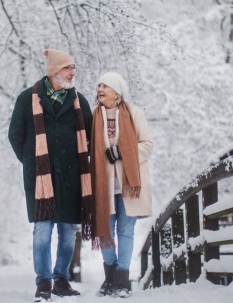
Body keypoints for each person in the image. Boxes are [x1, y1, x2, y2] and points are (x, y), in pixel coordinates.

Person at [8, 49, 93, 302]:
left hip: (71, 177)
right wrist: (33, 163)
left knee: (68, 232)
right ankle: (43, 281)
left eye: (73, 68)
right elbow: (16, 135)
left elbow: (90, 136)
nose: (72, 73)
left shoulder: (80, 101)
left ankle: (61, 279)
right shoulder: (27, 99)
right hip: (40, 178)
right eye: (68, 68)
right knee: (42, 230)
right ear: (54, 72)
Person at [90, 72, 153, 298]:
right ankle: (111, 279)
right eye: (99, 85)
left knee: (125, 232)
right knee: (105, 232)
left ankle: (121, 283)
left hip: (129, 186)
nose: (100, 89)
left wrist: (125, 153)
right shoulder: (93, 117)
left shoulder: (135, 114)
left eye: (105, 86)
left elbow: (148, 144)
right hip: (103, 187)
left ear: (117, 91)